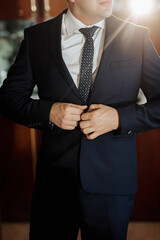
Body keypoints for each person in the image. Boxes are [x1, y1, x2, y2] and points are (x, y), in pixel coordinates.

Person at [0, 0, 160, 239]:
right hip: (54, 181)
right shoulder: (37, 37)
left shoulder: (136, 37)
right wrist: (48, 112)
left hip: (112, 182)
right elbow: (8, 98)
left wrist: (118, 118)